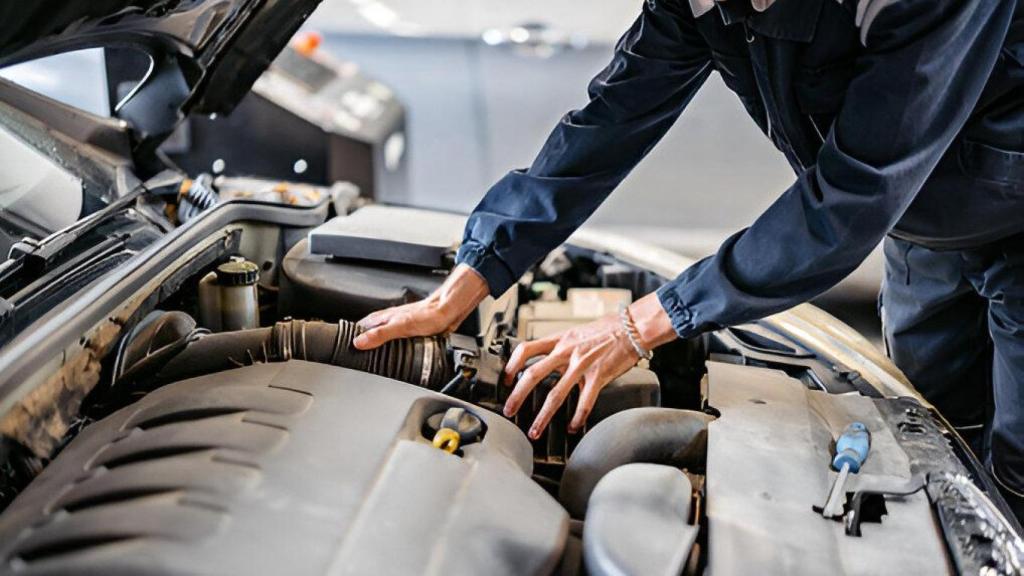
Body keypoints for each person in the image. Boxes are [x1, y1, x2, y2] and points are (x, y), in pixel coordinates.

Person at [354, 0, 1024, 514]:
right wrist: (470, 278)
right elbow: (610, 118)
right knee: (934, 451)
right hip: (924, 228)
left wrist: (640, 325)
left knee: (1017, 475)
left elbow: (855, 193)